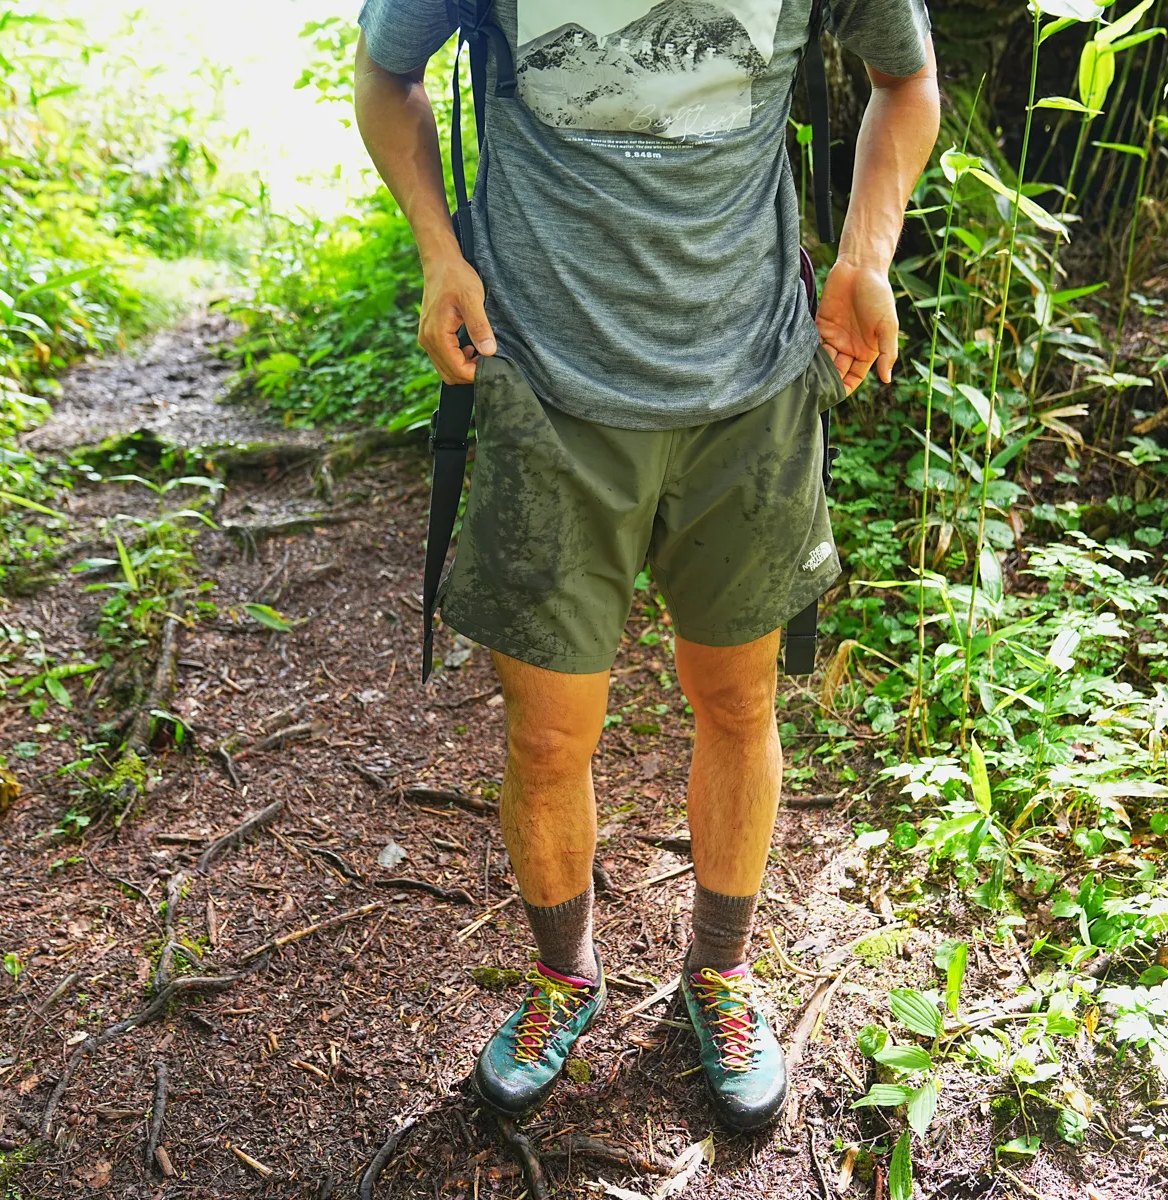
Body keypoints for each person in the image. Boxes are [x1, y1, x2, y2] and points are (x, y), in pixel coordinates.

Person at [353, 0, 938, 1131]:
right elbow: (386, 78)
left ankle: (718, 974)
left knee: (738, 697)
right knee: (548, 731)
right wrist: (439, 252)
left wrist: (867, 254)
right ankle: (565, 977)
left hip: (753, 387)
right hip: (546, 387)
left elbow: (903, 82)